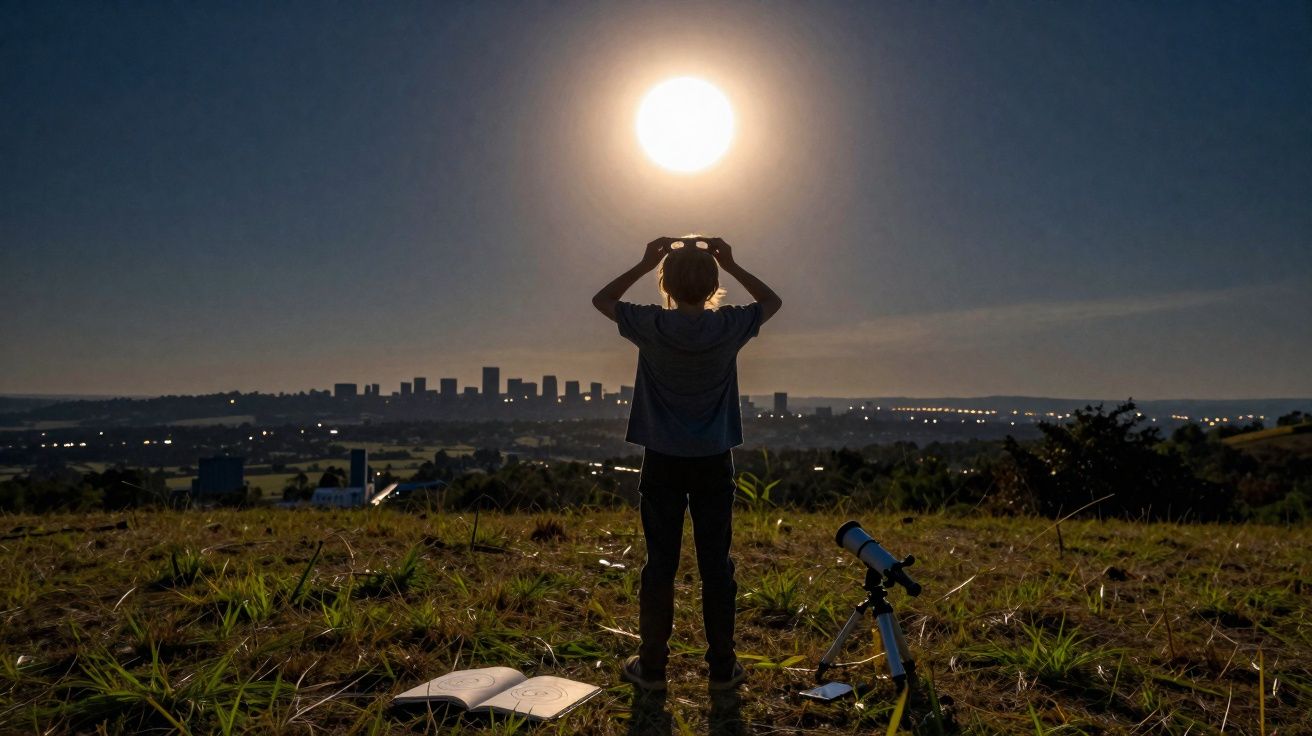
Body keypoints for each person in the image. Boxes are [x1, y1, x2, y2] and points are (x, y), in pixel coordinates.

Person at [591, 235, 783, 692]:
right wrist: (732, 263)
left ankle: (653, 669)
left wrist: (643, 262)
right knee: (717, 566)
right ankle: (721, 670)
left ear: (667, 285)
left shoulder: (651, 324)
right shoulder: (728, 326)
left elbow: (603, 299)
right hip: (714, 460)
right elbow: (772, 300)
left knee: (661, 565)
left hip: (662, 460)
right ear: (714, 283)